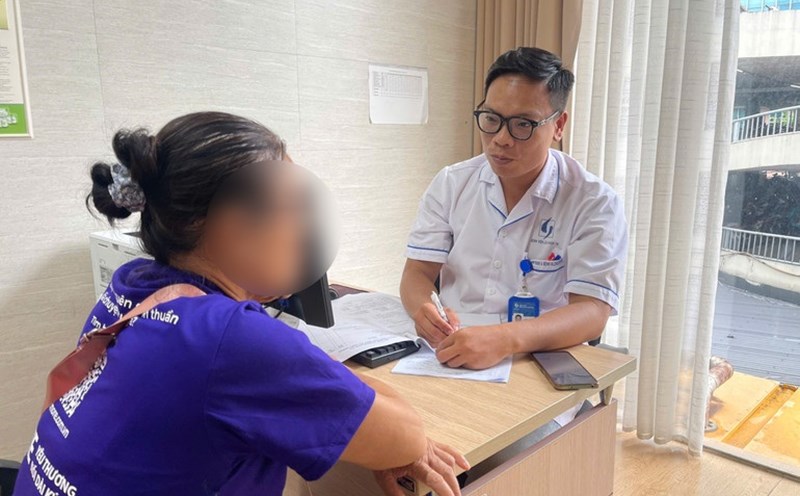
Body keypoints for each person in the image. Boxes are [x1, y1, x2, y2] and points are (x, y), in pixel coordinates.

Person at [14, 112, 468, 496]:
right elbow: (406, 435)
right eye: (292, 206)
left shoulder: (134, 283)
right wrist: (387, 436)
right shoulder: (231, 339)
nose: (303, 229)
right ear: (227, 225)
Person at [400, 47, 627, 425]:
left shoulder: (593, 201)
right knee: (392, 435)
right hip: (449, 353)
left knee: (509, 460)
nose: (501, 139)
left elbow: (592, 313)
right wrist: (424, 310)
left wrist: (505, 338)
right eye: (491, 119)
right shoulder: (453, 182)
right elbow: (417, 275)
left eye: (523, 124)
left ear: (558, 125)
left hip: (538, 361)